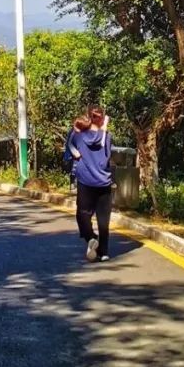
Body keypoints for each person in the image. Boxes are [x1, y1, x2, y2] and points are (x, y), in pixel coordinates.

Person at [68, 106, 113, 262]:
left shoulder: (79, 136)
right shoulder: (107, 136)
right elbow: (106, 156)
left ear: (89, 117)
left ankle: (91, 237)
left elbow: (70, 146)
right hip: (104, 182)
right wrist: (105, 128)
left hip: (86, 182)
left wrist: (76, 153)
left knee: (82, 215)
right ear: (103, 119)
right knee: (103, 219)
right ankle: (104, 252)